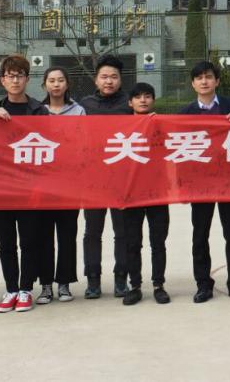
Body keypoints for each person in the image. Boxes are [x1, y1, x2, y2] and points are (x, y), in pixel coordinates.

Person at [178, 61, 230, 303]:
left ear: (217, 81)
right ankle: (203, 284)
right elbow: (179, 151)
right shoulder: (185, 113)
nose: (204, 81)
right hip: (200, 184)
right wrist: (183, 186)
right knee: (200, 235)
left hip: (229, 181)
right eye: (199, 78)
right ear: (193, 84)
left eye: (209, 77)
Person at [0, 55, 50, 312]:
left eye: (19, 75)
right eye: (10, 76)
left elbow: (48, 145)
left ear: (27, 79)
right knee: (6, 242)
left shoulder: (39, 110)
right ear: (2, 80)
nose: (15, 80)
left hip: (29, 187)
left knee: (29, 241)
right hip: (0, 188)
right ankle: (11, 288)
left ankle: (25, 289)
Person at [80, 55, 131, 300]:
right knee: (92, 232)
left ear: (120, 80)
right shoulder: (84, 105)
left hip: (122, 178)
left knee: (122, 232)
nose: (108, 81)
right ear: (96, 80)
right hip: (93, 179)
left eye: (113, 77)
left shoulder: (129, 104)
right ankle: (93, 280)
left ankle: (121, 279)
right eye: (104, 77)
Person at [36, 67, 84, 305]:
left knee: (67, 235)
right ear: (44, 84)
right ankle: (46, 285)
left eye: (60, 80)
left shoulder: (78, 110)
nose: (56, 84)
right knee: (43, 236)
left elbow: (84, 142)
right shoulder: (36, 110)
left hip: (69, 183)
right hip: (43, 183)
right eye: (51, 80)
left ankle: (64, 282)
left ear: (67, 84)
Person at [122, 82, 171, 306]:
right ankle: (135, 286)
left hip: (158, 192)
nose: (143, 100)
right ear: (130, 102)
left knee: (158, 242)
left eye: (148, 96)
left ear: (153, 100)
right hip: (131, 193)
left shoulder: (163, 124)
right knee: (132, 243)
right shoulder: (121, 127)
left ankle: (158, 285)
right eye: (138, 97)